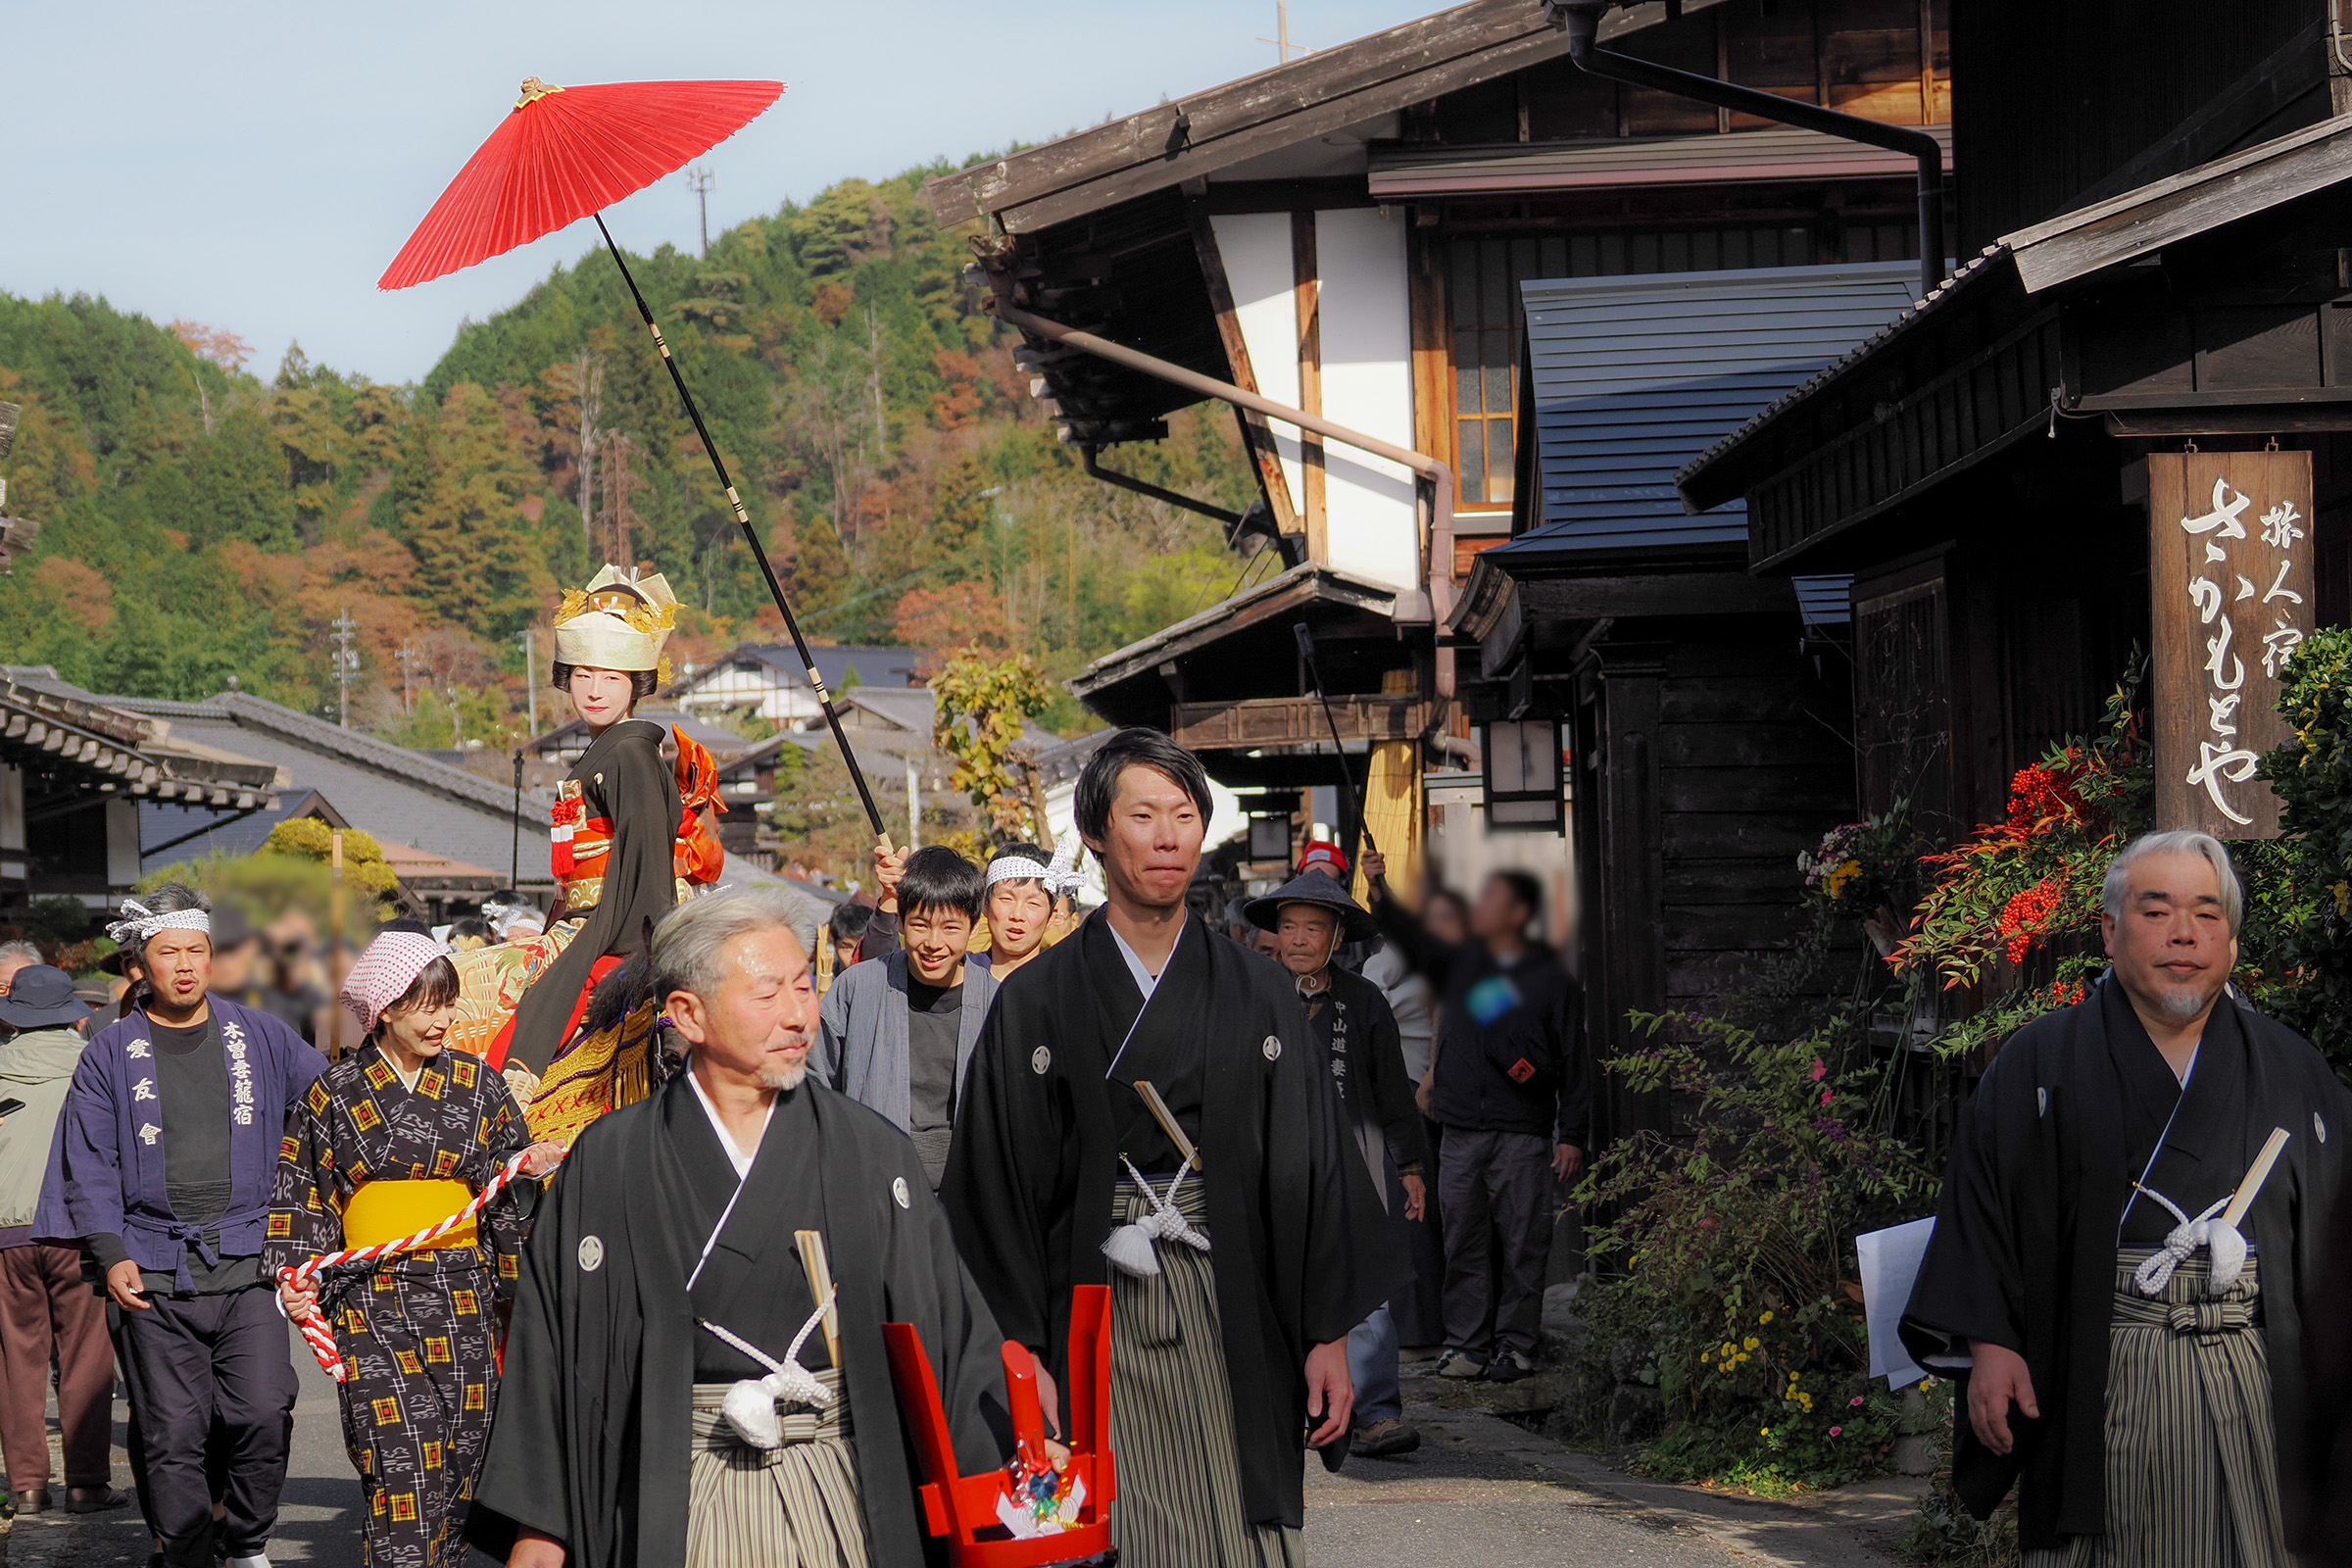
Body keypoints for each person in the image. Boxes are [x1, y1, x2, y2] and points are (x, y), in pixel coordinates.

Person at [945, 727, 1400, 1568]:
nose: (1167, 837)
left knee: (1235, 1517)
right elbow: (995, 1184)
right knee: (1096, 1520)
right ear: (1092, 834)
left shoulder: (1260, 989)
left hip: (1237, 1288)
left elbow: (1309, 1164)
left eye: (1185, 816)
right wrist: (1017, 1345)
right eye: (1143, 815)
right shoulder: (1036, 1000)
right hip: (1086, 1294)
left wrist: (1327, 1332)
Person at [468, 887, 1011, 1568]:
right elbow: (555, 1356)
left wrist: (1013, 1463)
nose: (798, 1017)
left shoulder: (870, 1150)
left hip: (842, 1490)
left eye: (805, 988)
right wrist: (540, 1530)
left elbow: (952, 1335)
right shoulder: (611, 1160)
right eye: (767, 994)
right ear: (688, 1014)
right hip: (673, 1492)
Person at [1902, 830, 2352, 1564]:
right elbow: (1982, 1213)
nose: (2185, 934)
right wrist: (1989, 1343)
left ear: (2233, 940)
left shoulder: (2293, 1069)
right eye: (2157, 911)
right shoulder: (2040, 1064)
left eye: (2208, 915)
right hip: (2100, 1368)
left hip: (2256, 1371)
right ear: (2110, 931)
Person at [34, 886, 324, 1568]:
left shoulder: (258, 1034)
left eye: (198, 951)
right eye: (170, 953)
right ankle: (187, 1552)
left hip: (248, 1260)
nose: (186, 965)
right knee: (172, 1433)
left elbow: (327, 1103)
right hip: (153, 1266)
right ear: (143, 962)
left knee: (260, 1413)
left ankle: (245, 1542)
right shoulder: (110, 1054)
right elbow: (91, 1162)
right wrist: (109, 1251)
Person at [269, 931, 564, 1568]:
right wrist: (295, 1274)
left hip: (464, 1300)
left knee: (463, 1465)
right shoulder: (334, 1094)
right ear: (387, 1007)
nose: (445, 1020)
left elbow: (500, 1179)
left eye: (448, 1004)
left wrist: (523, 1165)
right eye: (429, 1005)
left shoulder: (478, 1084)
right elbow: (304, 1190)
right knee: (398, 1469)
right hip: (372, 1305)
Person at [449, 566, 720, 1136]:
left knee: (465, 984)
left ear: (637, 685)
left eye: (612, 678)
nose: (594, 690)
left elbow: (644, 864)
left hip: (609, 929)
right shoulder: (608, 753)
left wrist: (623, 949)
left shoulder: (628, 757)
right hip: (583, 919)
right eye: (582, 675)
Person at [1366, 852, 1588, 1385]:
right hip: (1459, 1129)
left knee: (1522, 1244)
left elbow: (1576, 1060)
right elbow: (1411, 937)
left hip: (1523, 1130)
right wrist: (1379, 888)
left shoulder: (1548, 978)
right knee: (1462, 1240)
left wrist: (1572, 1133)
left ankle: (1516, 1345)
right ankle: (1466, 1344)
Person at [1246, 867, 1430, 1459]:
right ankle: (1294, 1410)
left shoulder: (1364, 1001)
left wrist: (1411, 1167)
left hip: (1355, 1159)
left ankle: (1376, 1413)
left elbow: (1393, 1093)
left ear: (1336, 938)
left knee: (1365, 1279)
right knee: (1276, 1280)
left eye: (1313, 929)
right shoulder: (1252, 995)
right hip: (1270, 1162)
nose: (1298, 940)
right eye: (1290, 927)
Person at [0, 966, 121, 1516]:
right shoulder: (94, 1064)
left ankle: (26, 1485)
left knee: (15, 1358)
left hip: (6, 1233)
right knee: (86, 1357)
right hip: (78, 1229)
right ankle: (87, 1484)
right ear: (76, 1013)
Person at [815, 847, 996, 1192]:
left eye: (950, 928)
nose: (933, 943)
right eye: (920, 925)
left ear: (974, 927)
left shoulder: (998, 1002)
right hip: (872, 1187)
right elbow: (815, 1082)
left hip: (972, 1195)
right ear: (900, 921)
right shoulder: (858, 987)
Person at [1363, 928, 1444, 1351]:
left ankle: (1419, 1326)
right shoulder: (1399, 951)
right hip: (1409, 1089)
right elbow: (1372, 982)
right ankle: (1415, 1326)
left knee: (1415, 1217)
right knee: (1412, 1217)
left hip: (1420, 1092)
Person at [979, 842, 1065, 981]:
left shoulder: (1065, 987)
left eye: (1033, 904)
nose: (1017, 915)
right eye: (1007, 899)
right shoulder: (957, 978)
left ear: (1051, 917)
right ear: (985, 904)